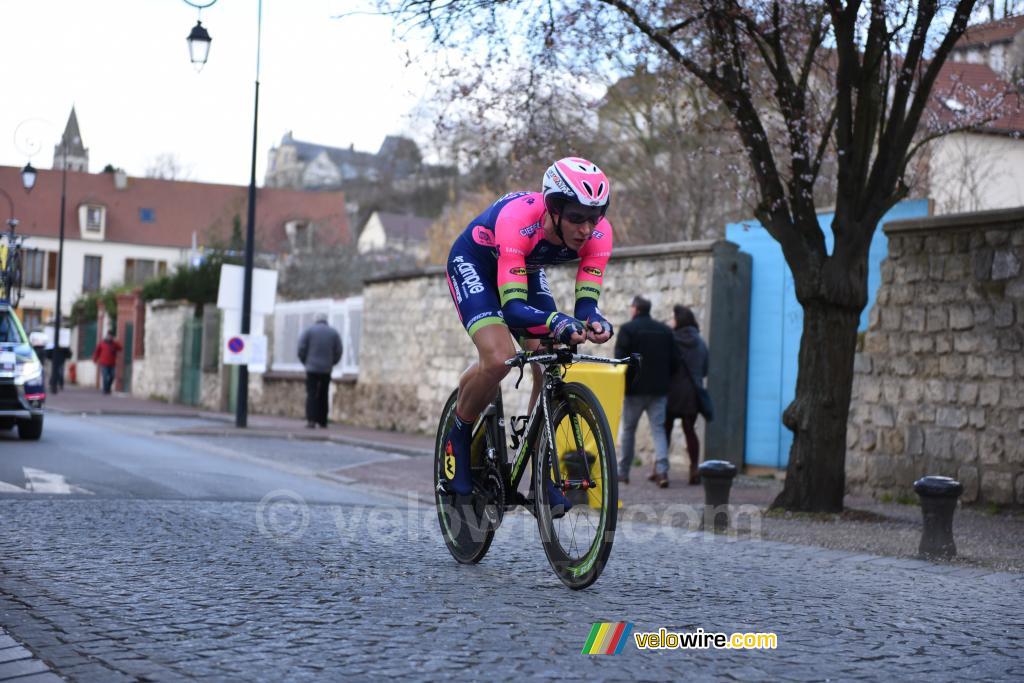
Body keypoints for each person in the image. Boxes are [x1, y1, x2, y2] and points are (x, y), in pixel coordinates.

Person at [444, 157, 615, 516]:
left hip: (525, 267)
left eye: (594, 216)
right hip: (476, 263)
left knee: (550, 355)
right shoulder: (518, 221)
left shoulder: (599, 235)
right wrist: (556, 320)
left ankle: (540, 468)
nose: (586, 229)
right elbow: (514, 310)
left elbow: (586, 306)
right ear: (553, 211)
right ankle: (457, 436)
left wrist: (593, 321)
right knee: (499, 358)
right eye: (576, 217)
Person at [614, 295, 680, 488]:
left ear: (635, 309)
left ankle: (623, 472)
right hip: (659, 390)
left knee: (628, 430)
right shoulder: (665, 331)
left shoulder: (628, 329)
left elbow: (620, 359)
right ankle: (662, 470)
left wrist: (625, 382)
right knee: (658, 429)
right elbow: (676, 360)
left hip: (634, 389)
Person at [665, 304, 710, 485]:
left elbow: (665, 364)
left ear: (679, 321)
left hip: (671, 392)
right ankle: (694, 468)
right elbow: (705, 368)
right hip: (692, 392)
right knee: (690, 430)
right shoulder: (699, 341)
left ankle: (660, 470)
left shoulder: (671, 339)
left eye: (673, 318)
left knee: (665, 430)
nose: (671, 321)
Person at [297, 313, 343, 429]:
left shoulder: (309, 331)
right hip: (326, 369)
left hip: (311, 368)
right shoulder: (333, 333)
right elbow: (339, 350)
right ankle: (323, 420)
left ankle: (311, 420)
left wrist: (306, 362)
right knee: (324, 394)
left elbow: (301, 348)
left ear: (316, 320)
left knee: (311, 393)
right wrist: (332, 362)